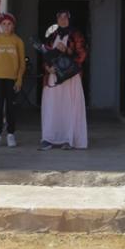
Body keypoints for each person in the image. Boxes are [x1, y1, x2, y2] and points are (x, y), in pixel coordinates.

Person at [37, 10, 88, 150]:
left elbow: (82, 55)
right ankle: (49, 138)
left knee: (69, 108)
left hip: (70, 78)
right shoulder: (52, 35)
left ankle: (68, 139)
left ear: (70, 19)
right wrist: (48, 68)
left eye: (65, 17)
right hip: (53, 77)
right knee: (52, 108)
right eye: (60, 17)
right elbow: (45, 54)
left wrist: (67, 51)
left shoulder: (76, 35)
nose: (62, 20)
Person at [0, 12, 25, 147]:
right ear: (0, 26)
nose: (7, 27)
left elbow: (22, 63)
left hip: (12, 79)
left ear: (13, 26)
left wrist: (19, 79)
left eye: (9, 24)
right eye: (4, 24)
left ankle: (10, 134)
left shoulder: (18, 41)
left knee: (10, 107)